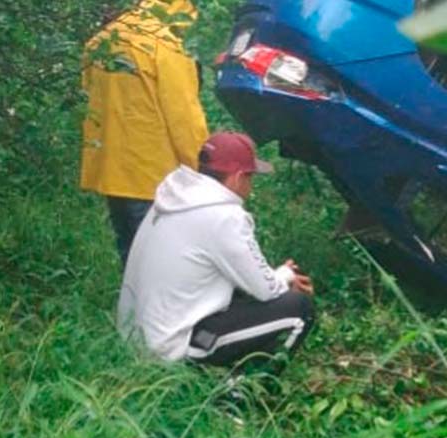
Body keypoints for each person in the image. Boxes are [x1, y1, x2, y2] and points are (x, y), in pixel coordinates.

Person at [117, 132, 316, 367]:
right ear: (238, 178)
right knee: (298, 309)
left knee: (240, 287)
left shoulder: (176, 195)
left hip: (135, 336)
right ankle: (241, 396)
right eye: (250, 178)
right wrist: (286, 274)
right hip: (169, 347)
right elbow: (266, 290)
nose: (250, 188)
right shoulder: (223, 216)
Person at [81, 0, 209, 265]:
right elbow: (184, 117)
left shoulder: (101, 41)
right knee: (158, 262)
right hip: (153, 175)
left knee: (130, 252)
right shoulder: (166, 46)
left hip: (111, 168)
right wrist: (204, 169)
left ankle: (130, 307)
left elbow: (88, 96)